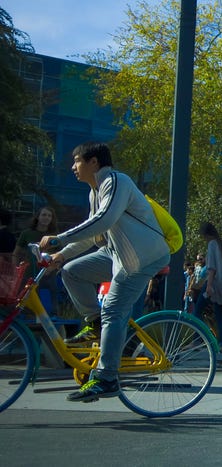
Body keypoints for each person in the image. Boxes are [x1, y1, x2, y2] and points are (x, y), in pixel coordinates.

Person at [38, 141, 172, 401]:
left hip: (142, 257)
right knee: (72, 271)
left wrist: (60, 238)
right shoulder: (95, 191)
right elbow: (94, 233)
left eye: (77, 161)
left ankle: (107, 378)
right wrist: (61, 254)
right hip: (116, 254)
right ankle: (96, 323)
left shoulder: (115, 181)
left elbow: (105, 219)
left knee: (113, 309)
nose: (73, 167)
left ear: (94, 162)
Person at [197, 221, 222, 353]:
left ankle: (198, 339)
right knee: (219, 314)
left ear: (206, 234)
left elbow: (211, 267)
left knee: (196, 312)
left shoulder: (212, 244)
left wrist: (209, 285)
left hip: (213, 282)